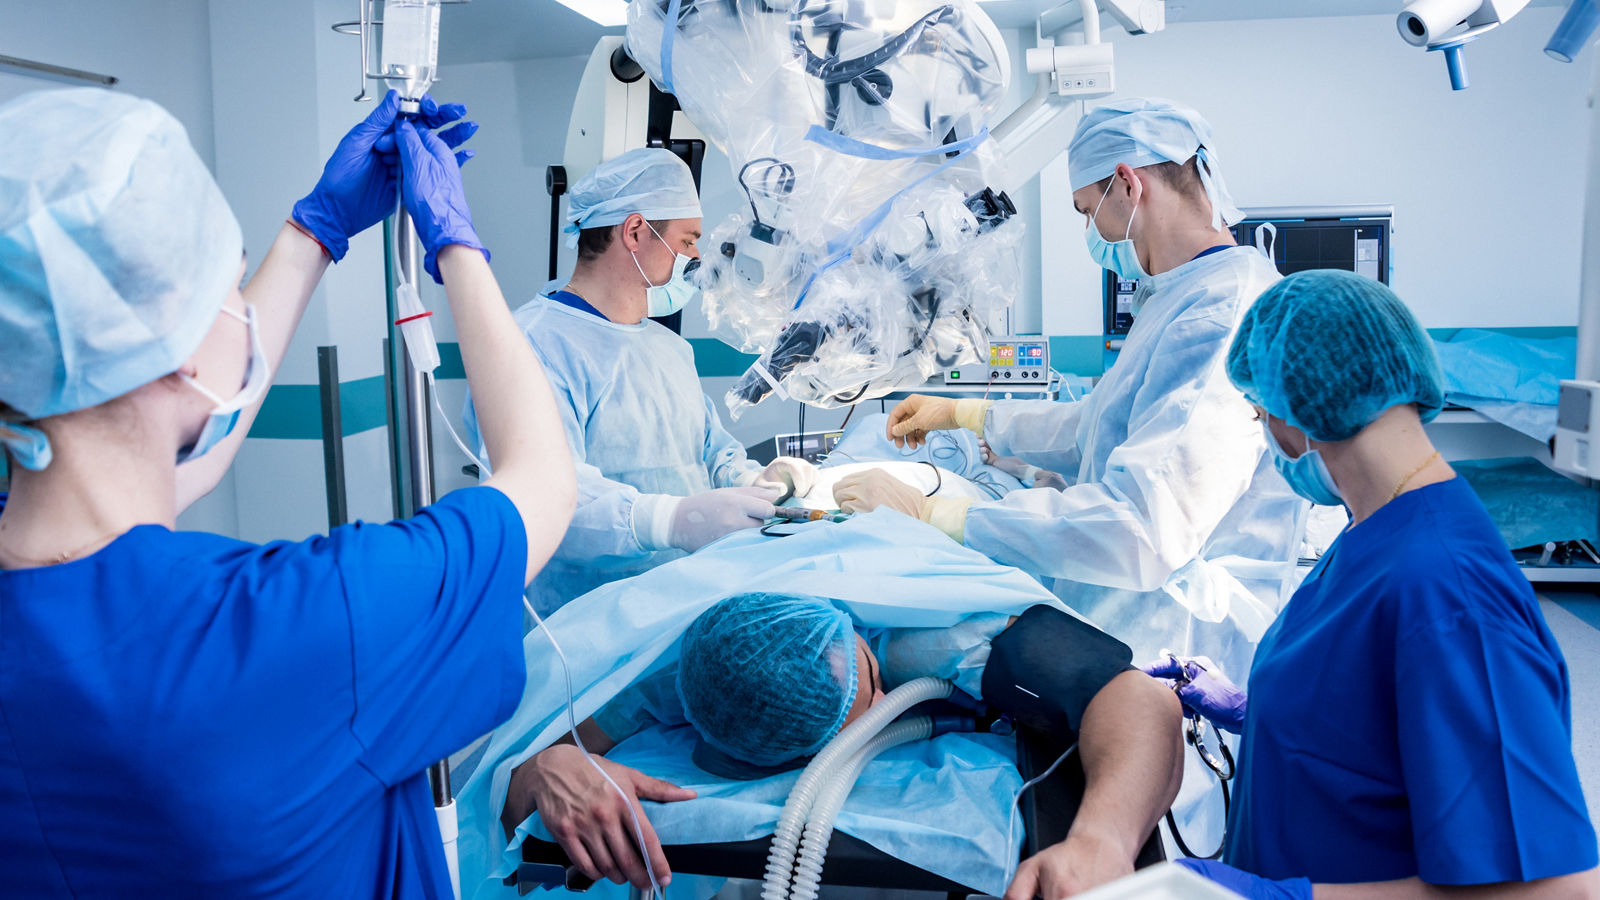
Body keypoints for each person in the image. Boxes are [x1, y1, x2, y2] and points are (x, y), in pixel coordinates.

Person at [0, 88, 576, 898]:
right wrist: (457, 245)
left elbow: (162, 467)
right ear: (173, 355)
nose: (241, 311)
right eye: (227, 289)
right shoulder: (296, 625)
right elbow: (544, 481)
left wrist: (317, 229)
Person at [830, 98, 1304, 688]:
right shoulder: (1183, 294)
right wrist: (967, 413)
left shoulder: (1220, 314)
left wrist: (943, 515)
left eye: (1087, 211)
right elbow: (1097, 423)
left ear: (1128, 185)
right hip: (1128, 598)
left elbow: (1144, 529)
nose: (1093, 232)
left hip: (1174, 635)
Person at [1158, 271, 1600, 898]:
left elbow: (1558, 890)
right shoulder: (1377, 529)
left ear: (1289, 416)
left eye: (1258, 413)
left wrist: (1281, 898)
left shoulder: (1450, 595)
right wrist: (1261, 715)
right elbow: (1382, 726)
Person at [503, 593, 1184, 900]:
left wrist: (1101, 841)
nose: (891, 700)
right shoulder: (684, 670)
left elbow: (1139, 698)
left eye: (874, 675)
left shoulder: (928, 640)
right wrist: (548, 766)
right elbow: (518, 766)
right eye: (868, 705)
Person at [462, 149, 814, 614]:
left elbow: (710, 452)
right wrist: (671, 521)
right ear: (634, 232)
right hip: (588, 629)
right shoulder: (533, 346)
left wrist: (754, 482)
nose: (695, 258)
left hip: (684, 603)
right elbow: (541, 496)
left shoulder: (669, 349)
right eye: (688, 240)